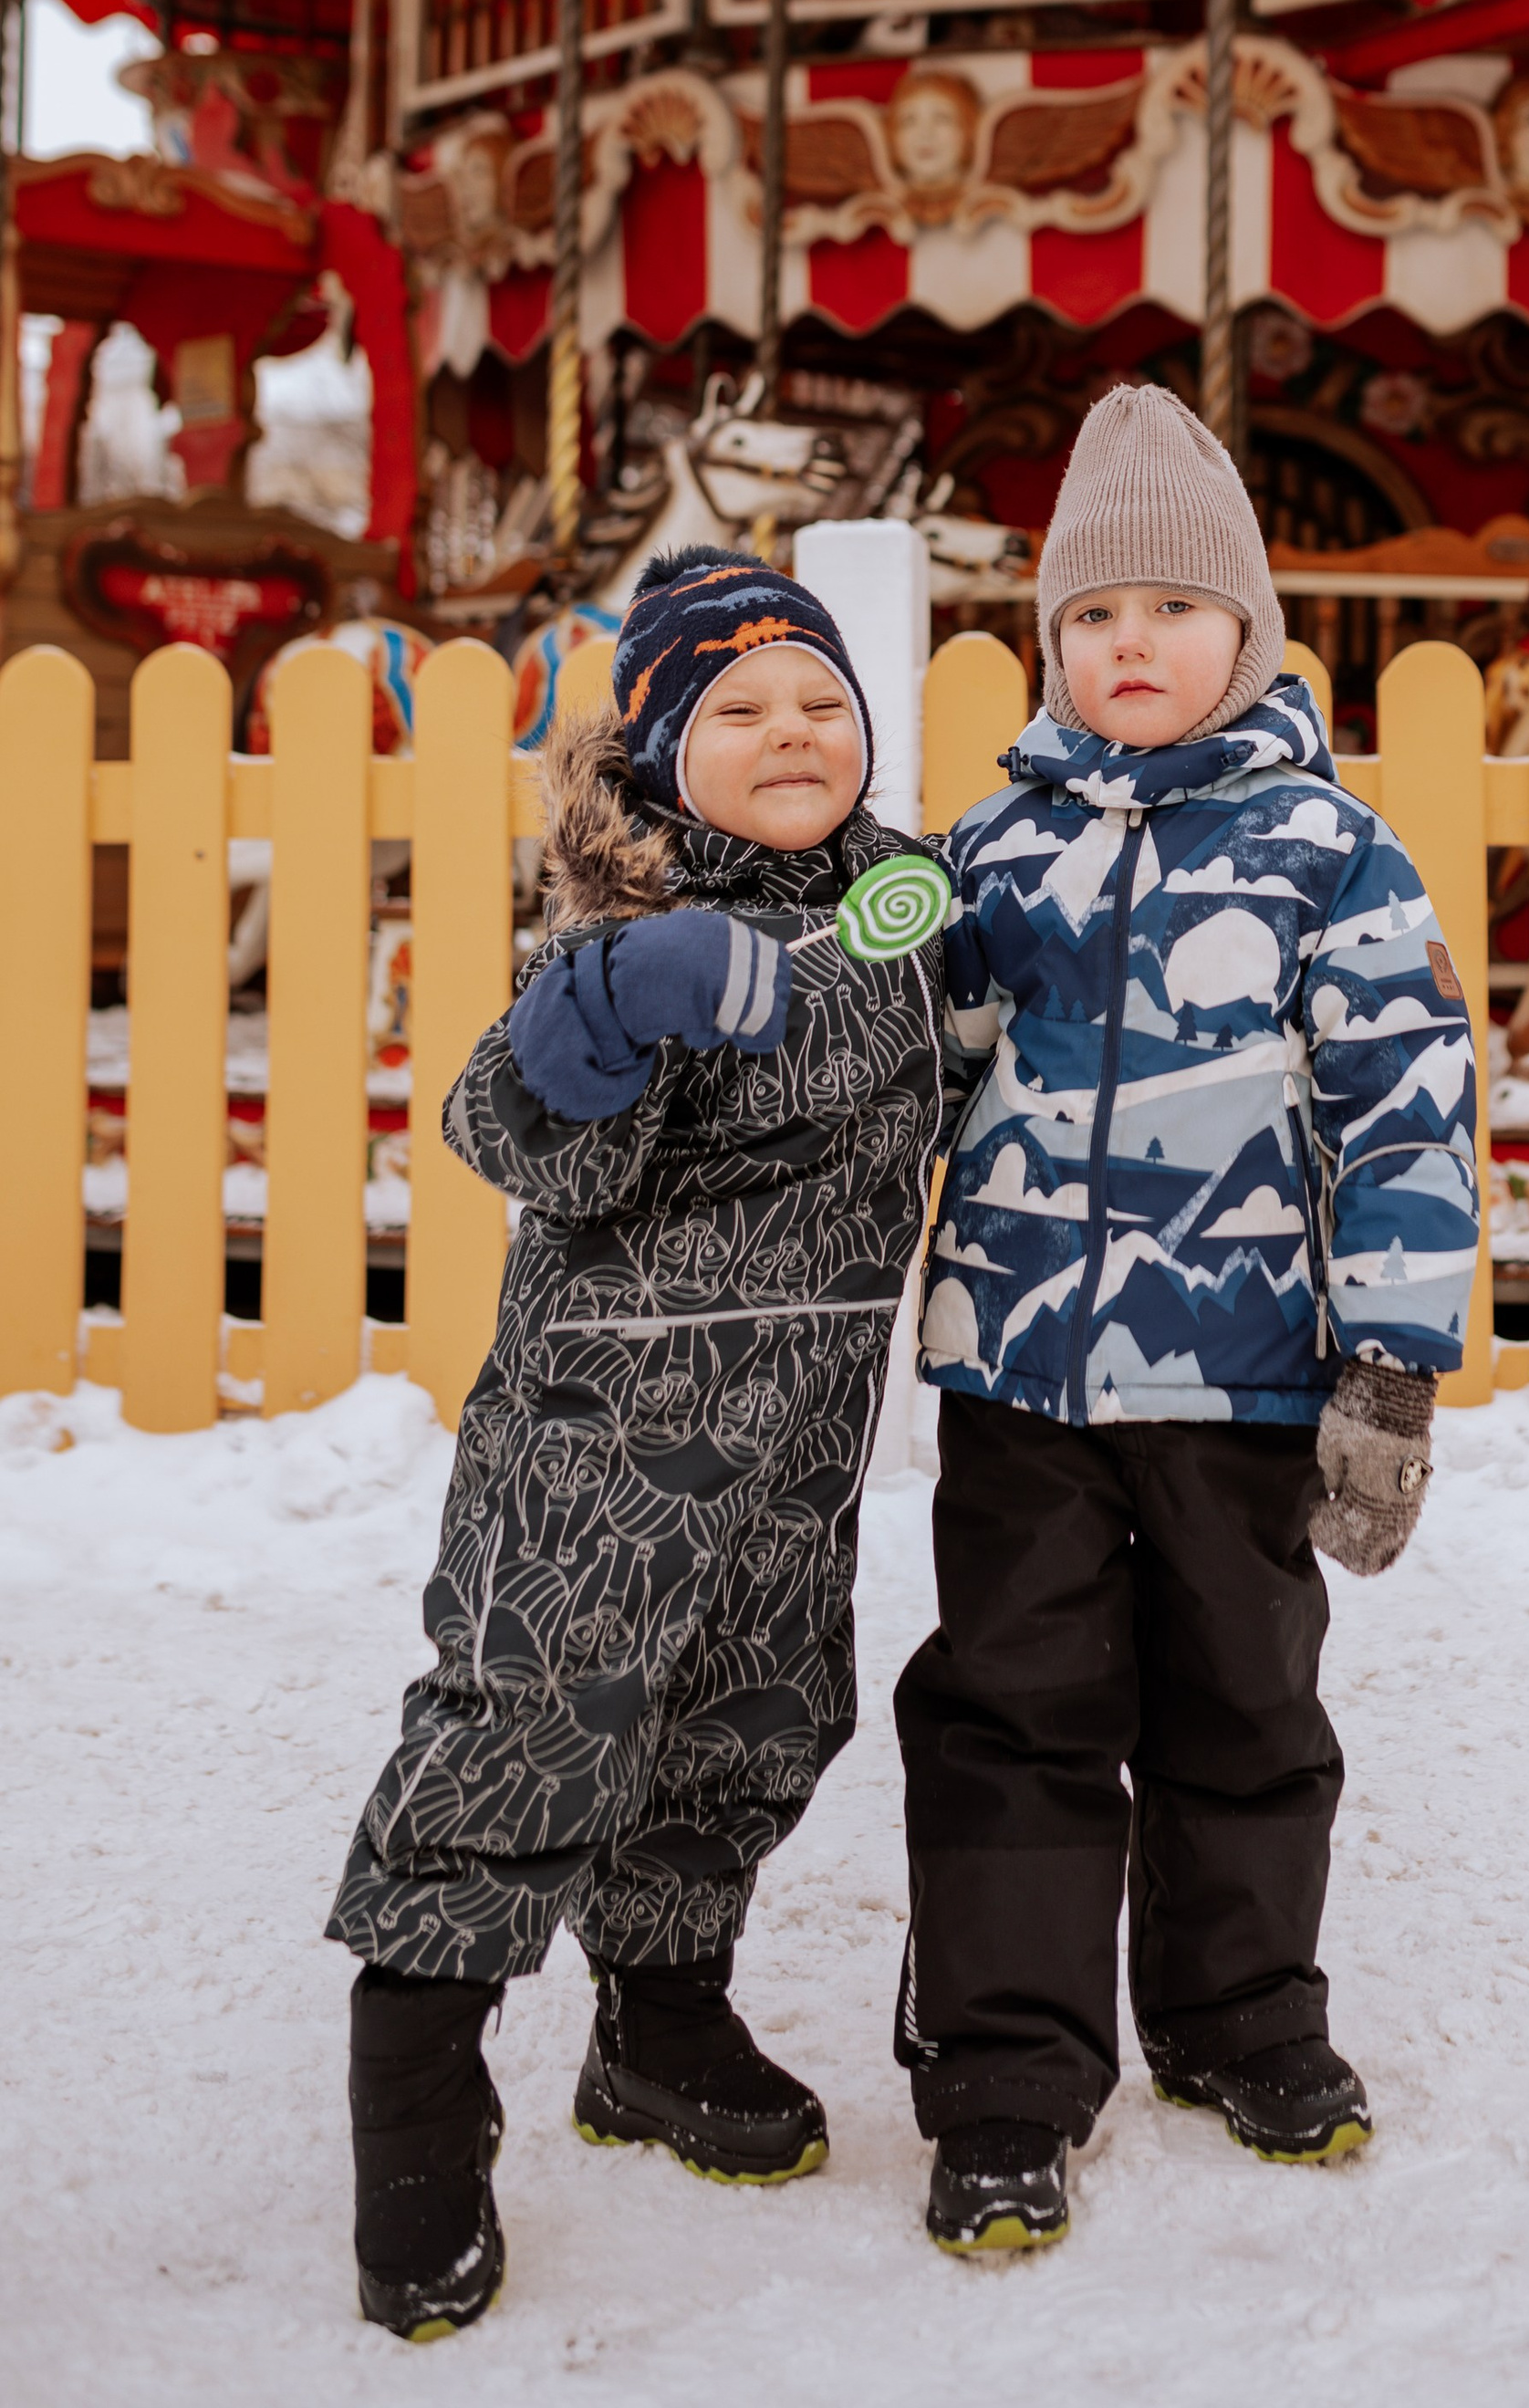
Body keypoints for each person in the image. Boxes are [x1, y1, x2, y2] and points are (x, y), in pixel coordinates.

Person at [325, 550, 949, 2340]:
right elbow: (504, 1131)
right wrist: (595, 1023)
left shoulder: (903, 905)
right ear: (658, 752)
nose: (789, 734)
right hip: (603, 1448)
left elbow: (972, 1052)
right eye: (737, 711)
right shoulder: (627, 918)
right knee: (525, 1743)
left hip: (797, 1448)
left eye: (820, 703)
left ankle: (660, 2033)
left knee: (752, 1729)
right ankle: (419, 2125)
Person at [897, 382, 1480, 2257]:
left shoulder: (1329, 853)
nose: (1126, 642)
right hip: (1018, 1376)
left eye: (1165, 608)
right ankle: (1005, 2074)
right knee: (1013, 1712)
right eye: (1089, 615)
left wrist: (1388, 1362)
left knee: (1244, 1703)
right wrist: (877, 940)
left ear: (1246, 631)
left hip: (1239, 1376)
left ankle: (1239, 2020)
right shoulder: (990, 844)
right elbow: (927, 1054)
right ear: (1047, 644)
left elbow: (1409, 1104)